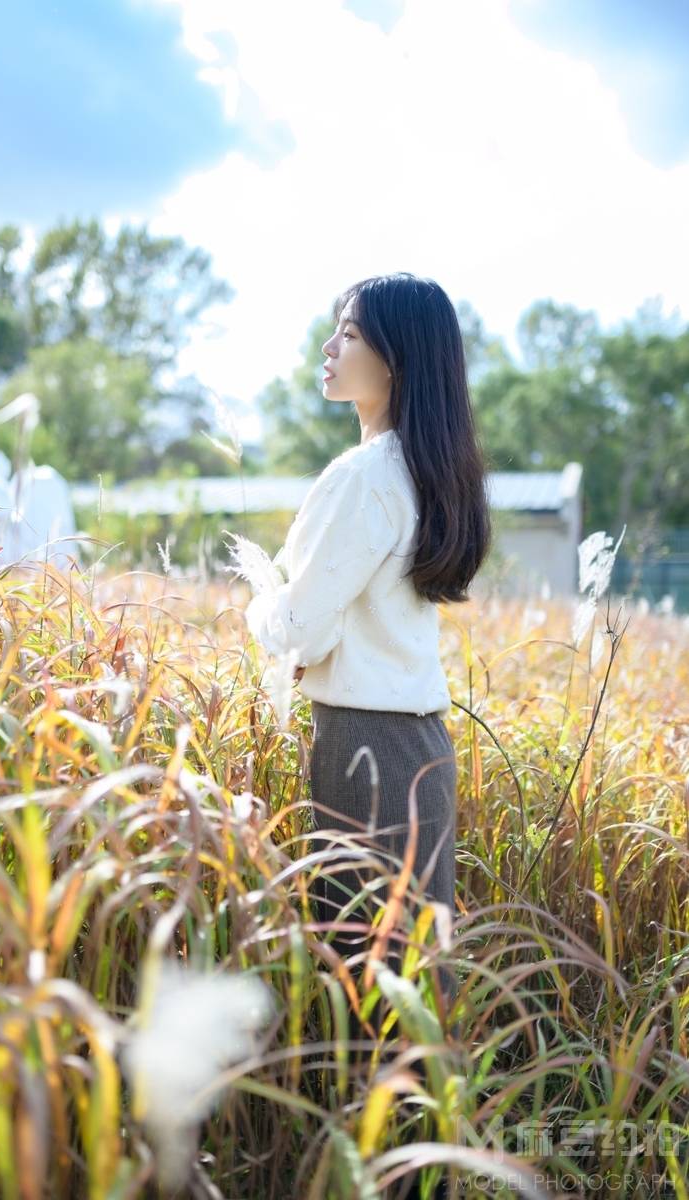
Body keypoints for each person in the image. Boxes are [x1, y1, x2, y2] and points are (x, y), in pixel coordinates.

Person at [245, 272, 492, 1026]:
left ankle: (368, 1135)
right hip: (421, 746)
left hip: (364, 750)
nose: (328, 346)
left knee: (362, 977)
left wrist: (257, 597)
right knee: (414, 978)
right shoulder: (427, 470)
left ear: (396, 360)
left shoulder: (362, 477)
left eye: (348, 333)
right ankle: (425, 1134)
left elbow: (298, 629)